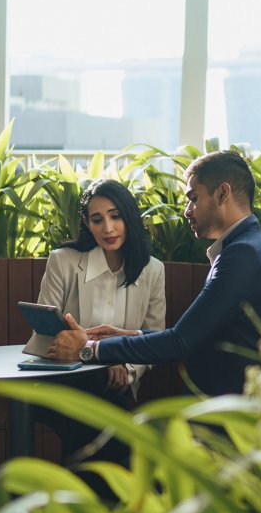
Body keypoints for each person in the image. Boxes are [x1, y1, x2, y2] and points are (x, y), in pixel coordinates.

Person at [49, 150, 261, 398]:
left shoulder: (242, 254)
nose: (187, 211)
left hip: (229, 415)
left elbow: (180, 342)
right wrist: (127, 334)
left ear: (223, 193)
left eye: (193, 198)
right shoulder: (248, 247)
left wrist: (89, 349)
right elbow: (196, 335)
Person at [35, 178, 166, 464]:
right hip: (62, 378)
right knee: (100, 420)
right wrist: (102, 354)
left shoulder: (153, 270)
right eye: (97, 220)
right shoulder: (63, 261)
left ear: (129, 216)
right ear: (87, 223)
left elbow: (155, 337)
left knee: (93, 420)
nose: (108, 228)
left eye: (116, 216)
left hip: (114, 386)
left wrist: (127, 368)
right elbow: (45, 329)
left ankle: (80, 497)